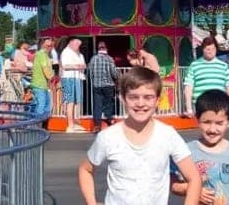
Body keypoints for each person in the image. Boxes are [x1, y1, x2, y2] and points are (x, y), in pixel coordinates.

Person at [79, 66, 201, 205]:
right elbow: (85, 169)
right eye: (133, 97)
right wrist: (91, 202)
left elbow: (193, 178)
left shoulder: (167, 135)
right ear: (123, 98)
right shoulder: (108, 137)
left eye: (148, 97)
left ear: (157, 100)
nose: (140, 103)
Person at [171, 89, 229, 205]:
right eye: (206, 122)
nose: (212, 129)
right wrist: (191, 189)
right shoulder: (186, 151)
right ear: (197, 120)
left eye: (219, 123)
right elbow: (174, 186)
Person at [185, 37, 229, 117]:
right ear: (203, 49)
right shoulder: (194, 66)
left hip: (220, 105)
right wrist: (189, 108)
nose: (210, 51)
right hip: (201, 106)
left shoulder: (223, 66)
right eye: (208, 49)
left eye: (213, 49)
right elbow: (188, 87)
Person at [87, 41, 119, 131]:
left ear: (98, 49)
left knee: (97, 104)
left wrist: (94, 80)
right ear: (106, 48)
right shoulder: (109, 59)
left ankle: (97, 125)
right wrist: (117, 77)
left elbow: (90, 72)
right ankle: (109, 120)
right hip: (108, 84)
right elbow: (114, 73)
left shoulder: (93, 59)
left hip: (97, 85)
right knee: (108, 103)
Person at [60, 37, 87, 132]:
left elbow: (84, 65)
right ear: (71, 43)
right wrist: (77, 66)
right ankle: (70, 125)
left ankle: (75, 123)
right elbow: (65, 66)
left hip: (78, 77)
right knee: (70, 101)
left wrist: (80, 66)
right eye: (77, 45)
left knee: (76, 101)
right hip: (69, 78)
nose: (78, 47)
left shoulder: (79, 54)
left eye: (79, 45)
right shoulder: (66, 52)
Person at [32, 37, 55, 120]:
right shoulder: (41, 55)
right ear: (42, 45)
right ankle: (36, 125)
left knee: (45, 106)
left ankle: (37, 124)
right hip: (40, 84)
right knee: (42, 106)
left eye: (51, 45)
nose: (50, 47)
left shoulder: (43, 55)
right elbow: (47, 72)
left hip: (42, 85)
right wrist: (53, 76)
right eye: (48, 46)